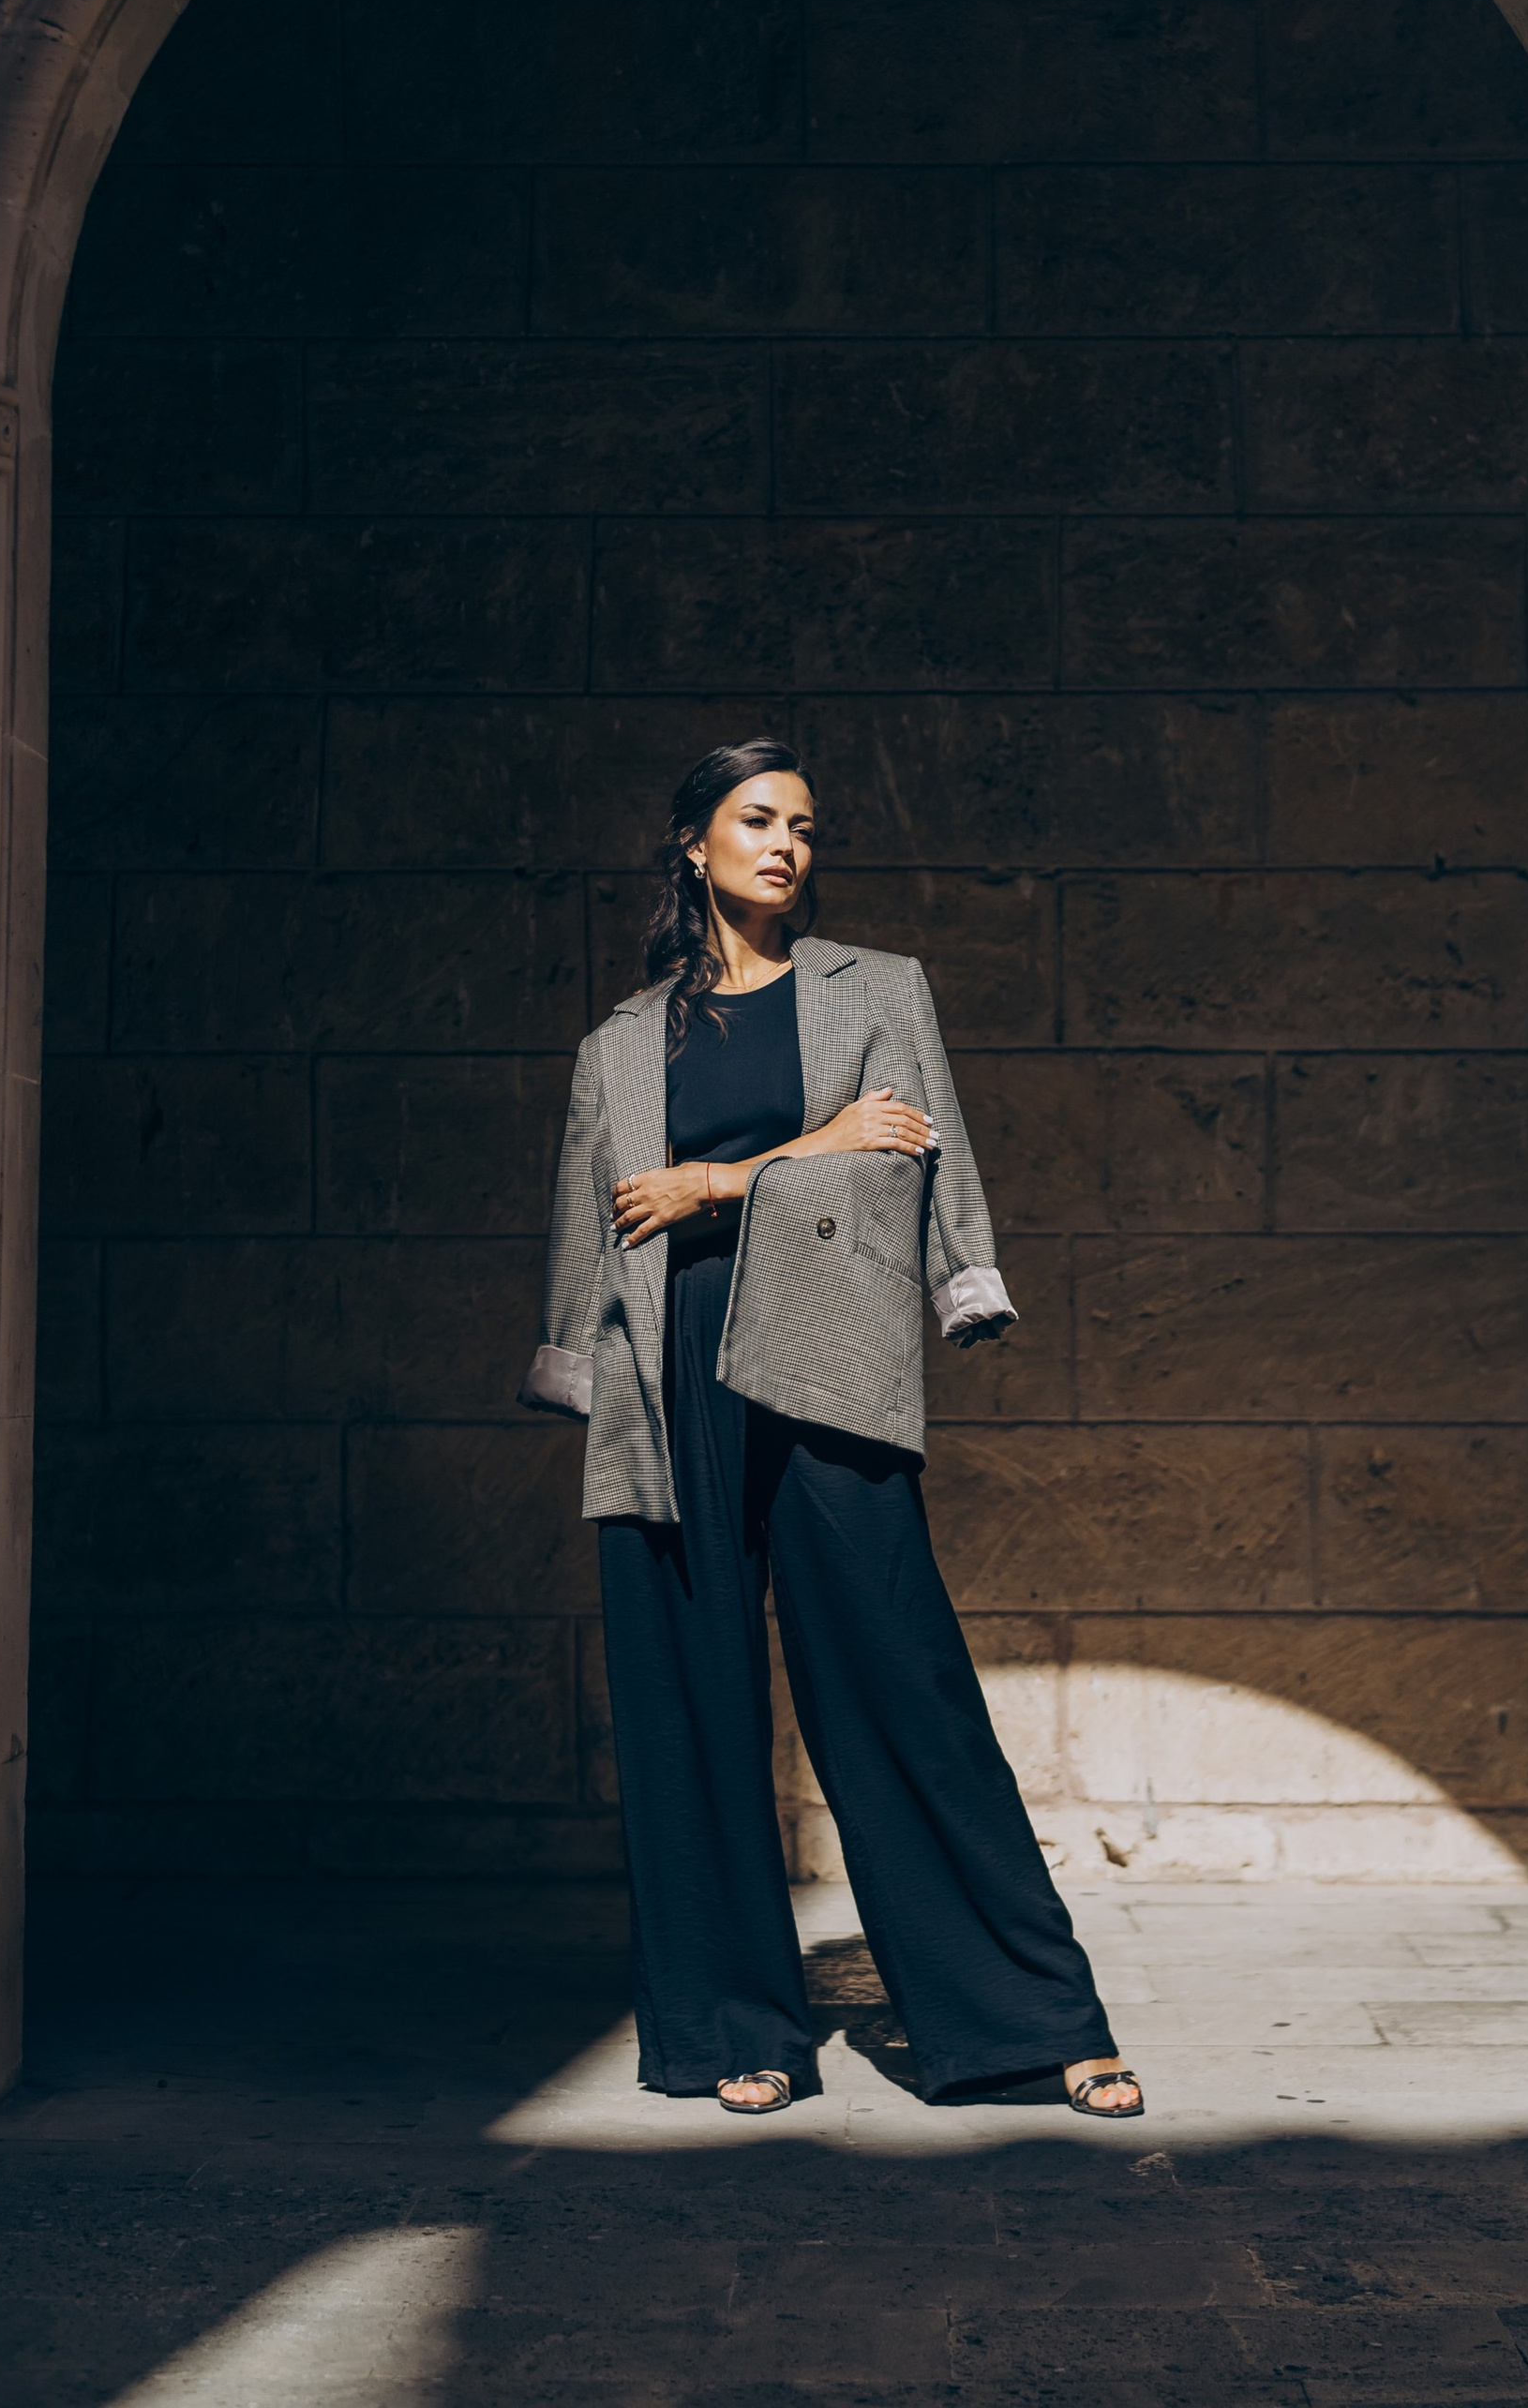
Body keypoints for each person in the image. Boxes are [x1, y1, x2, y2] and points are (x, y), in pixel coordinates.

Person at [519, 739, 1144, 2122]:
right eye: (757, 821)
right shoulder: (619, 1043)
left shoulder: (877, 990)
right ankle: (734, 2026)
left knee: (902, 1683)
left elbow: (908, 1158)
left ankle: (1030, 2023)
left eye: (804, 826)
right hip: (664, 1375)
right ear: (695, 844)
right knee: (689, 1710)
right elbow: (595, 1217)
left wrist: (721, 1182)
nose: (786, 845)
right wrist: (796, 1157)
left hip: (828, 1359)